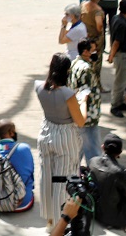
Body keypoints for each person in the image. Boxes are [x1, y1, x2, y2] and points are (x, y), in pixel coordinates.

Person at [34, 54, 85, 225]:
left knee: (47, 177)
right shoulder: (67, 94)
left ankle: (49, 220)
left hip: (46, 131)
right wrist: (83, 101)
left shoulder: (39, 87)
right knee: (62, 182)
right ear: (67, 71)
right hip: (65, 137)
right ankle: (59, 223)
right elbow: (80, 121)